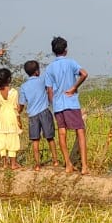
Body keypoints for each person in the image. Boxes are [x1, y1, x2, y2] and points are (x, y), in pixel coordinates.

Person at [43, 37, 90, 174]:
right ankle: (84, 166)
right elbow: (84, 74)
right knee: (80, 131)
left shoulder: (50, 68)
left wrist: (53, 104)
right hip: (71, 102)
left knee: (62, 133)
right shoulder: (71, 63)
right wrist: (74, 87)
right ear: (66, 50)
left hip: (58, 104)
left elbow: (49, 90)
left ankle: (68, 164)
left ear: (53, 51)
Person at [17, 60, 62, 169]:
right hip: (44, 111)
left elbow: (22, 103)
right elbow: (50, 86)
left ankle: (37, 164)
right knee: (50, 138)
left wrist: (18, 112)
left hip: (32, 115)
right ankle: (55, 161)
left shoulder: (23, 86)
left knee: (35, 140)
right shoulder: (42, 80)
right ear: (37, 71)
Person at [0, 68, 23, 171]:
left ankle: (4, 163)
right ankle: (13, 164)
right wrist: (19, 120)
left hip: (2, 117)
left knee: (2, 140)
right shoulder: (14, 92)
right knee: (12, 139)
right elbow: (16, 108)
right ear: (9, 79)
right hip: (12, 117)